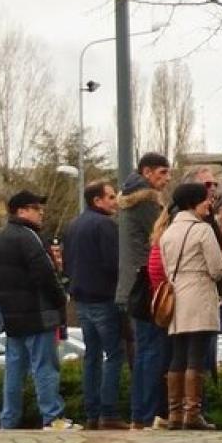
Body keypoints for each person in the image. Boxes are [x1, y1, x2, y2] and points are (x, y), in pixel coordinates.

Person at [0, 190, 75, 430]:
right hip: (39, 314)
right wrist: (61, 297)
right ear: (21, 211)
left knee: (14, 371)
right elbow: (44, 274)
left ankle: (9, 419)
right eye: (36, 208)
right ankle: (52, 416)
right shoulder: (30, 237)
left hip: (13, 316)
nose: (41, 213)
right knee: (45, 367)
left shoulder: (0, 238)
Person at [158, 181, 222, 430]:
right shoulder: (202, 230)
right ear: (192, 202)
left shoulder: (167, 232)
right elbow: (218, 268)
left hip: (177, 296)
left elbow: (166, 268)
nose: (209, 203)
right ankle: (192, 413)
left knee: (178, 355)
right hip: (199, 294)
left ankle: (174, 412)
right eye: (205, 199)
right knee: (196, 356)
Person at [62, 180, 126, 429]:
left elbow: (67, 262)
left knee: (91, 356)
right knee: (114, 354)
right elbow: (113, 263)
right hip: (104, 297)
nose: (115, 202)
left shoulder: (73, 225)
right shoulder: (105, 225)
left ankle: (91, 412)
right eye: (110, 197)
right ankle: (108, 412)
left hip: (81, 299)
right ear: (97, 201)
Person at [118, 151, 173, 429]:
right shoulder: (147, 202)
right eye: (163, 173)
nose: (166, 179)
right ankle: (149, 414)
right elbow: (162, 236)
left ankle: (139, 413)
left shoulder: (128, 201)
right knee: (153, 352)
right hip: (148, 284)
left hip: (131, 285)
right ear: (148, 172)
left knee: (142, 354)